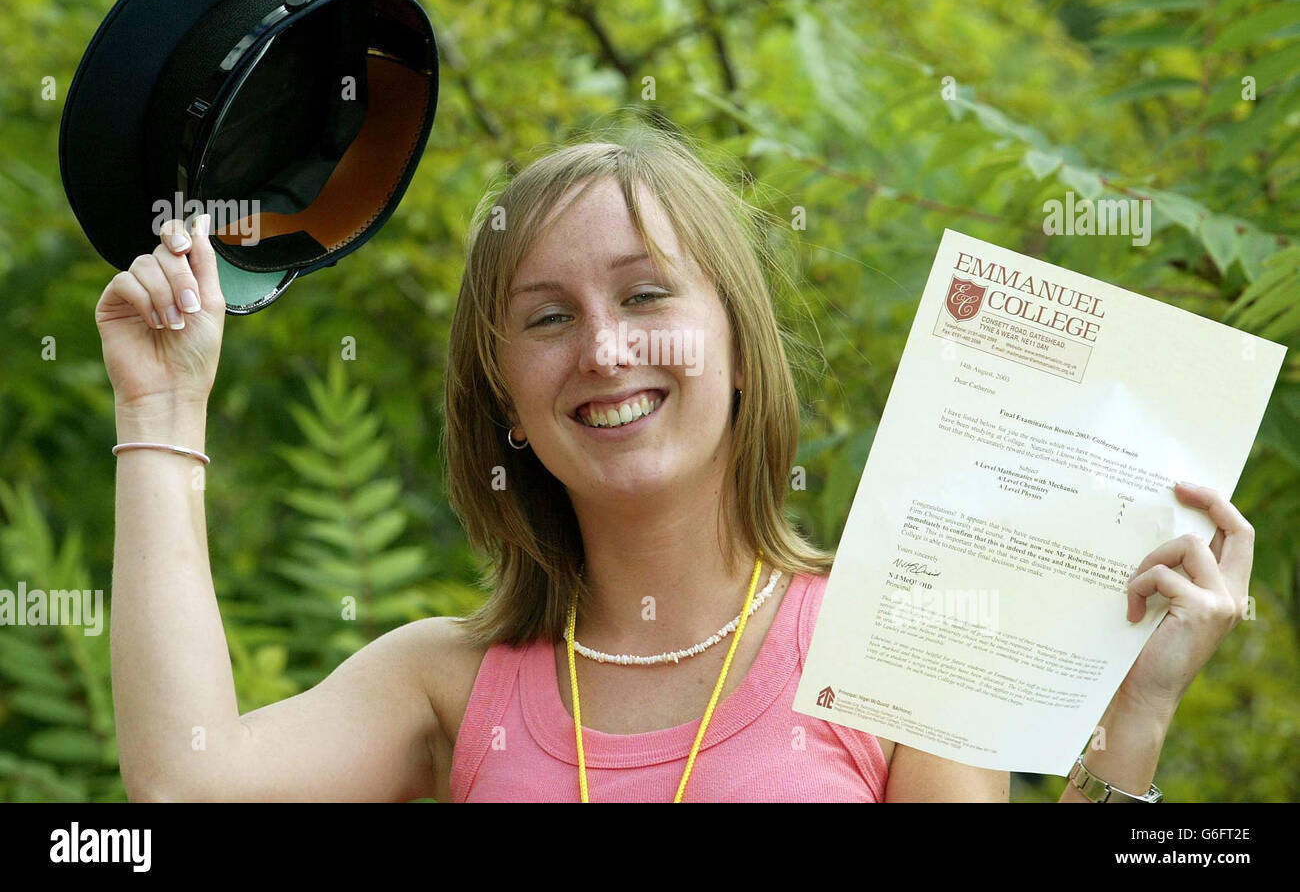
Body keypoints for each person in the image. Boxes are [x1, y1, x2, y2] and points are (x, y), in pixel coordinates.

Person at [98, 124, 1257, 802]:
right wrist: (162, 408)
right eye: (545, 318)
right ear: (505, 398)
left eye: (646, 294)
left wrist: (1130, 718)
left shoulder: (897, 645)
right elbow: (181, 788)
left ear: (739, 345)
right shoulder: (443, 683)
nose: (605, 349)